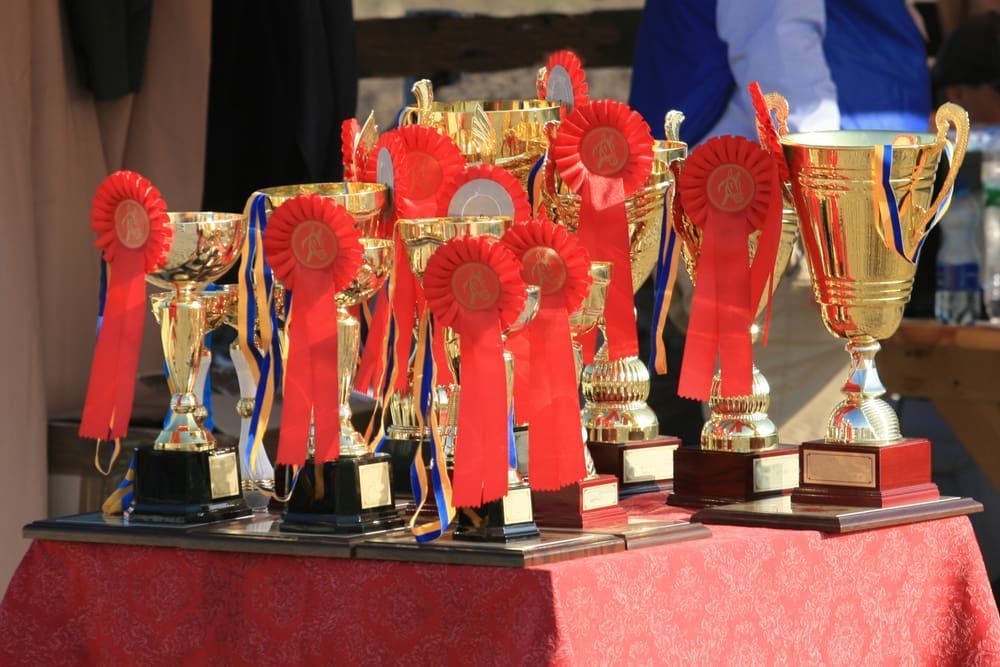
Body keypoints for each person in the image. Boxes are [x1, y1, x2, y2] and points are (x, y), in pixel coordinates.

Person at [629, 0, 932, 445]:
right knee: (792, 472)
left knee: (796, 459)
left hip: (795, 221)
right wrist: (828, 219)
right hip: (788, 225)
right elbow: (785, 67)